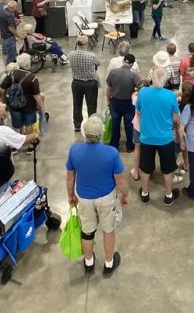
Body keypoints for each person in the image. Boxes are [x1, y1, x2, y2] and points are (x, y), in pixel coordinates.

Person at [66, 114, 129, 276]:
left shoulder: (75, 150)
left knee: (87, 232)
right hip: (106, 198)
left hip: (84, 198)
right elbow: (120, 180)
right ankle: (108, 263)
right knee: (108, 230)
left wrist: (70, 195)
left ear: (84, 133)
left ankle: (88, 262)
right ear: (102, 133)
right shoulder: (111, 153)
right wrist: (125, 195)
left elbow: (70, 176)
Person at [136, 67, 181, 205]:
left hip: (147, 137)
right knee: (167, 168)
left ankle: (144, 193)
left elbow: (138, 112)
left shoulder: (143, 92)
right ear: (166, 79)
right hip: (165, 138)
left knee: (145, 167)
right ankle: (168, 195)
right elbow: (175, 118)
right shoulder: (170, 95)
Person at [0, 53, 43, 136]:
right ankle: (29, 145)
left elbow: (1, 89)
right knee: (28, 124)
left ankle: (18, 141)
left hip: (14, 104)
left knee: (17, 124)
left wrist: (9, 96)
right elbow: (37, 96)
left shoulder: (10, 74)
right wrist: (42, 106)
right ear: (27, 64)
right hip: (29, 105)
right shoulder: (32, 78)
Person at [106, 53, 140, 152]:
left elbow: (108, 88)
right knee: (129, 125)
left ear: (123, 61)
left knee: (115, 123)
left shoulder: (113, 72)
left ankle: (114, 144)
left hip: (115, 102)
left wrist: (108, 101)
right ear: (132, 64)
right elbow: (140, 88)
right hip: (128, 103)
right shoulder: (134, 76)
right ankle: (130, 146)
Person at [69, 34, 100, 132]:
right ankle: (91, 125)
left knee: (77, 104)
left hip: (76, 83)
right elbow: (98, 63)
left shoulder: (71, 54)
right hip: (90, 83)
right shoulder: (91, 55)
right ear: (86, 44)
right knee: (91, 104)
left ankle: (77, 124)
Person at [0, 0, 20, 65]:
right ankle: (11, 69)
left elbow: (6, 22)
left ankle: (8, 65)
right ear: (12, 8)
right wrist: (18, 35)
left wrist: (15, 20)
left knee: (6, 53)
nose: (16, 10)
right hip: (9, 37)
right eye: (15, 8)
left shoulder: (3, 11)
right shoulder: (9, 15)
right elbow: (11, 28)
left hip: (3, 36)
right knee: (11, 55)